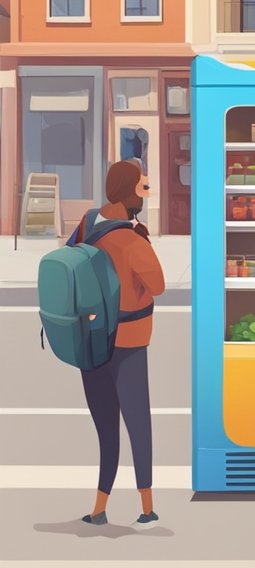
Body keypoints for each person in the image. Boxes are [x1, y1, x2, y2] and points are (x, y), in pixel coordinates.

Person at [77, 160, 165, 528]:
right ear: (130, 192)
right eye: (144, 187)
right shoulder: (131, 239)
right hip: (128, 343)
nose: (147, 192)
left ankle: (99, 507)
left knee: (106, 428)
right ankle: (146, 506)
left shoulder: (88, 222)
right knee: (137, 423)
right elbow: (158, 285)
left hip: (91, 340)